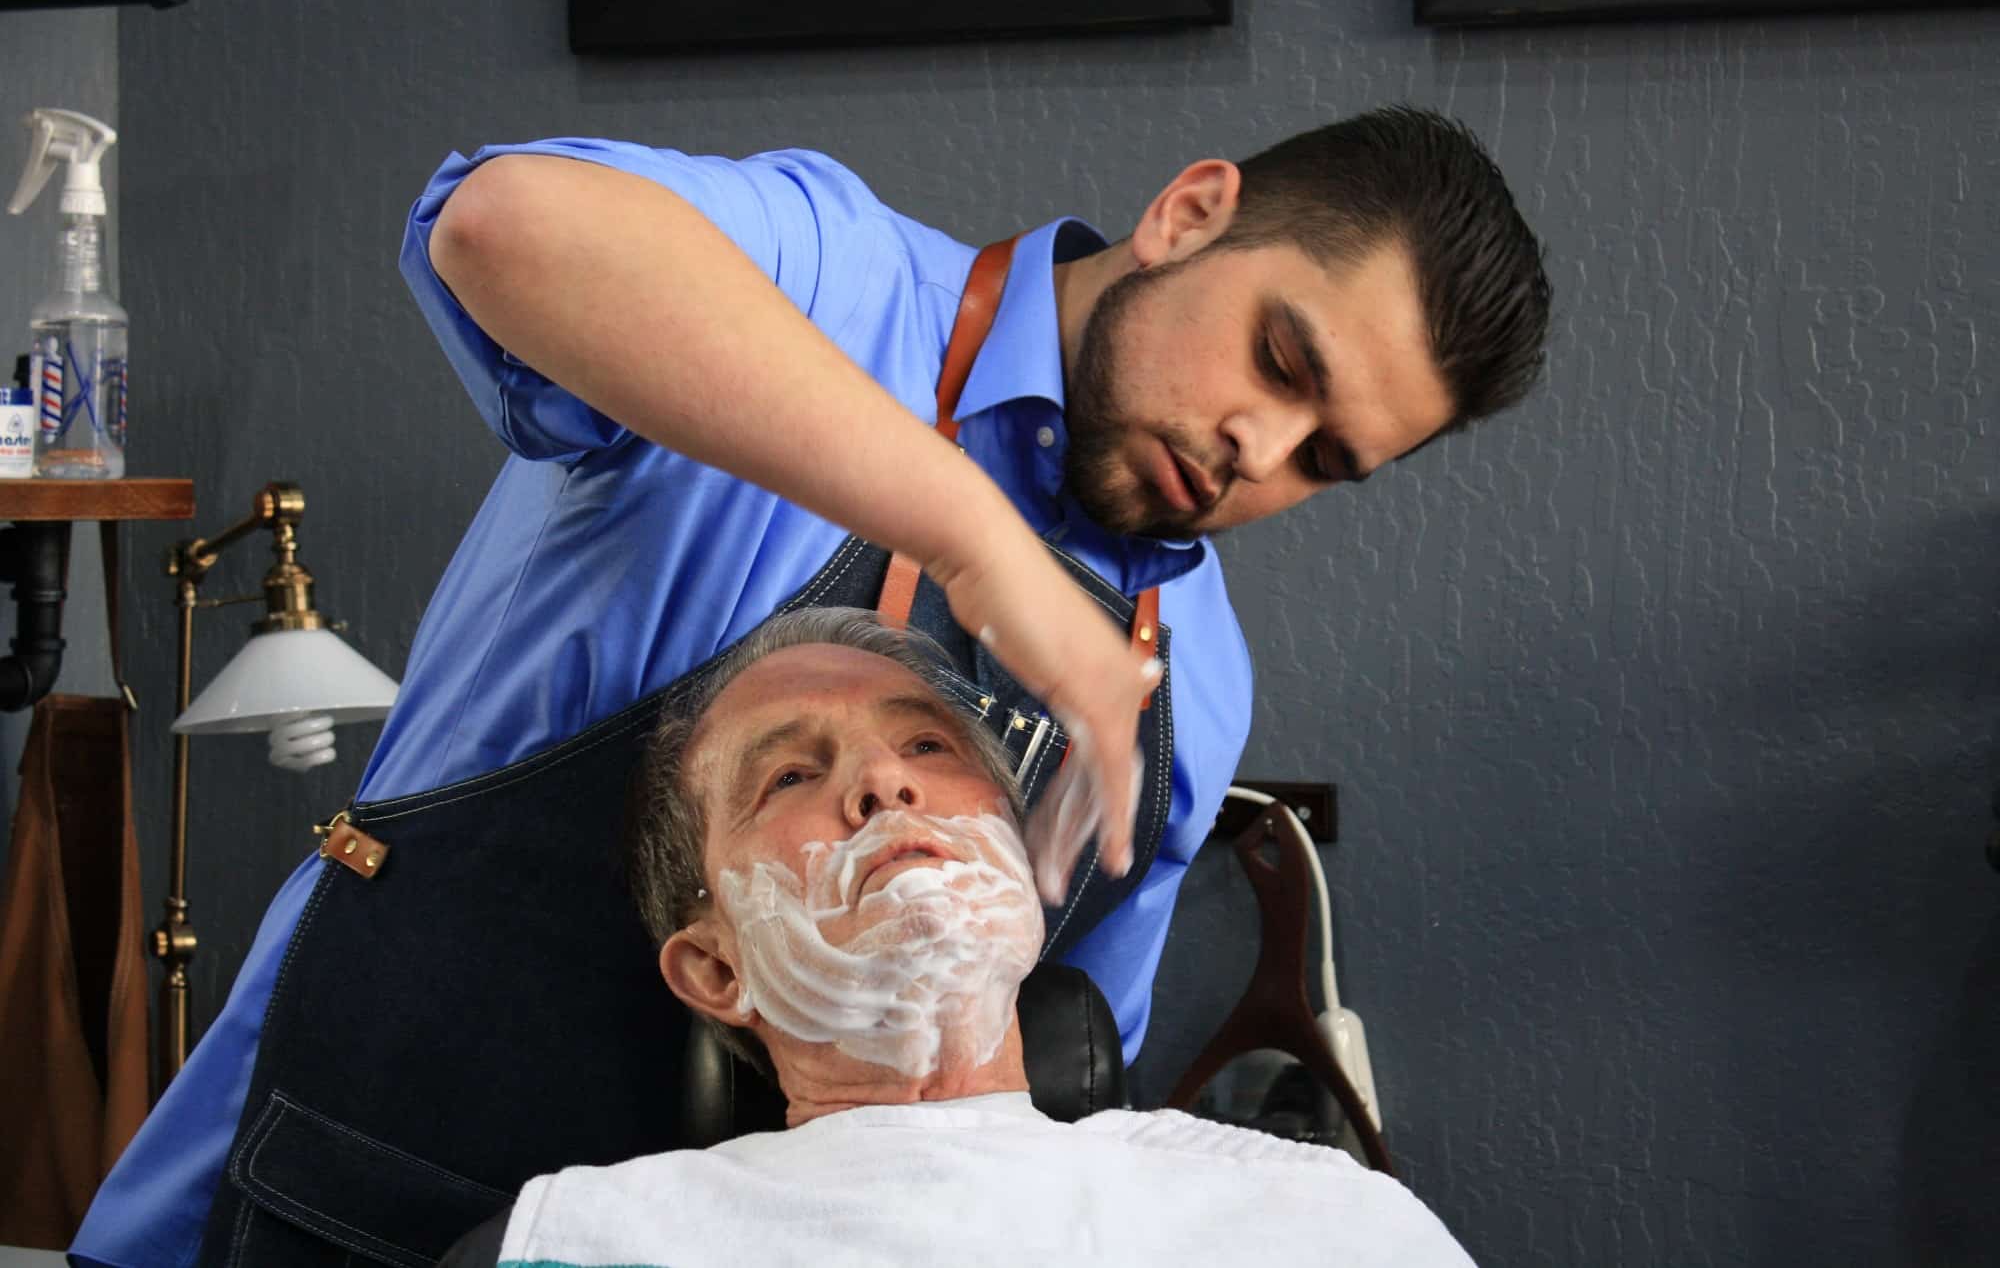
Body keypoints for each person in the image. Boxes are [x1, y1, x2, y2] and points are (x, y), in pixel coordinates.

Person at [75, 106, 1549, 1265]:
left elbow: (1041, 1094)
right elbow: (500, 225)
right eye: (1277, 358)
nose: (1255, 449)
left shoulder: (1184, 686)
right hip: (352, 1187)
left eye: (1323, 462)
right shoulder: (836, 279)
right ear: (1190, 214)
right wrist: (976, 539)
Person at [443, 606, 1478, 1267]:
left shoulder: (1310, 1218)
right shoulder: (582, 1242)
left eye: (928, 745)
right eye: (790, 775)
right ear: (714, 967)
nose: (885, 784)